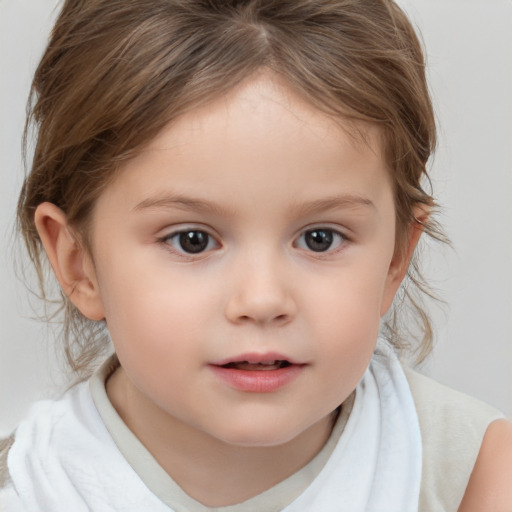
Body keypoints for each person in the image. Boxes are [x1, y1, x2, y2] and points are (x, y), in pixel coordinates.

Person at [1, 0, 511, 510]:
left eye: (320, 238)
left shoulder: (472, 476)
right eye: (192, 240)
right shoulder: (30, 489)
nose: (263, 300)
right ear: (78, 263)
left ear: (396, 257)